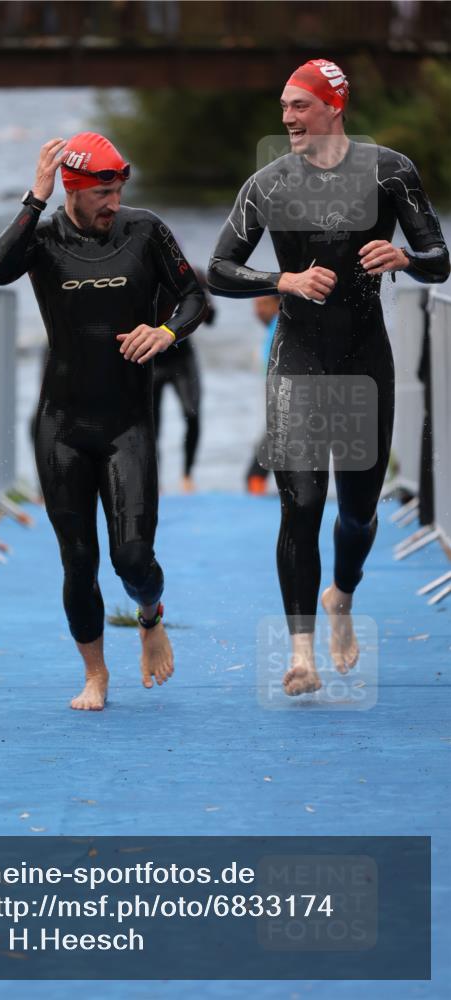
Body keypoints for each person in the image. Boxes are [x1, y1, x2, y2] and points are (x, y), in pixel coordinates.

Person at [208, 59, 449, 697]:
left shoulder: (390, 172)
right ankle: (301, 653)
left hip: (367, 358)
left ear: (333, 107)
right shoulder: (268, 183)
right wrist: (281, 280)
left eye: (299, 106)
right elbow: (218, 269)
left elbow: (439, 258)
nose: (287, 118)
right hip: (299, 356)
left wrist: (405, 256)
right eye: (283, 107)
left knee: (360, 513)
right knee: (301, 505)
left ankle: (341, 594)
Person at [0, 132, 207, 711]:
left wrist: (165, 332)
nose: (114, 203)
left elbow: (193, 297)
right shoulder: (43, 237)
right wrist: (34, 198)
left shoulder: (145, 230)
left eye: (119, 190)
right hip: (60, 425)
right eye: (102, 193)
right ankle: (96, 674)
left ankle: (151, 614)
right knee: (77, 560)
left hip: (126, 425)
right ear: (73, 190)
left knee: (133, 557)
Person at [153, 267, 214, 494]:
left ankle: (187, 475)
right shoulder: (139, 274)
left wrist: (203, 296)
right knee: (151, 424)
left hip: (181, 358)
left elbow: (211, 320)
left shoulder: (188, 276)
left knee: (192, 413)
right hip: (152, 360)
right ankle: (156, 479)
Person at [245, 294, 279, 494]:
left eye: (265, 304)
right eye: (256, 305)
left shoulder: (281, 323)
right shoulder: (273, 326)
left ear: (279, 303)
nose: (259, 310)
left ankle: (254, 481)